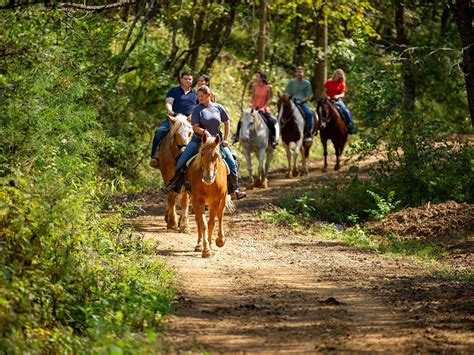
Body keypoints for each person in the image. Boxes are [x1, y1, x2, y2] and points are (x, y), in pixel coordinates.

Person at [166, 85, 246, 200]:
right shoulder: (197, 109)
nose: (199, 98)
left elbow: (227, 122)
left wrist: (225, 139)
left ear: (209, 95)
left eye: (202, 96)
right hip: (198, 140)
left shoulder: (219, 107)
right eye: (198, 96)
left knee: (231, 161)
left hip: (216, 142)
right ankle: (175, 187)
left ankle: (234, 189)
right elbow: (195, 127)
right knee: (181, 160)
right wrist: (205, 132)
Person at [150, 71, 199, 168]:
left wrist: (193, 115)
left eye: (190, 79)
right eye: (185, 79)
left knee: (201, 135)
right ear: (181, 80)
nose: (188, 81)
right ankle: (155, 156)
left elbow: (199, 107)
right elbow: (169, 102)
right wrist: (170, 110)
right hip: (174, 119)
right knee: (160, 131)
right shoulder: (174, 91)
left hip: (189, 121)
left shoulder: (196, 94)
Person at [232, 71, 278, 148]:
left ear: (262, 78)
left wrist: (263, 107)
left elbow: (269, 99)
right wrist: (253, 107)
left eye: (257, 76)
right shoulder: (254, 86)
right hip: (254, 108)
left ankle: (273, 139)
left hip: (264, 109)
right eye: (256, 76)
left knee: (271, 121)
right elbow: (253, 98)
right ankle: (236, 136)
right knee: (242, 119)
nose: (256, 78)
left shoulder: (268, 87)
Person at [284, 66, 314, 141]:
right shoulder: (291, 82)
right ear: (295, 73)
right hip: (292, 101)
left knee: (309, 114)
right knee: (282, 113)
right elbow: (287, 93)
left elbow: (308, 96)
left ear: (303, 73)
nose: (299, 73)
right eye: (297, 72)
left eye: (300, 72)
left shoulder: (307, 83)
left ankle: (309, 133)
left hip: (301, 102)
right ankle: (282, 132)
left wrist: (302, 101)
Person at [323, 68, 356, 134]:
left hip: (337, 100)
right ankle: (318, 125)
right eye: (338, 74)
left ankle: (351, 125)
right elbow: (324, 91)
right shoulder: (329, 81)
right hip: (328, 99)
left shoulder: (342, 83)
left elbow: (343, 94)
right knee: (321, 109)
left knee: (345, 111)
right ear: (335, 74)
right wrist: (327, 96)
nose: (339, 75)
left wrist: (337, 96)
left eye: (340, 75)